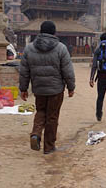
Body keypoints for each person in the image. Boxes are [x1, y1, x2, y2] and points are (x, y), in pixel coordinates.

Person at [19, 21, 75, 154]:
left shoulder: (29, 48)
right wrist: (71, 87)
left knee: (41, 112)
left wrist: (23, 88)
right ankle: (49, 147)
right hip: (56, 89)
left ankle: (36, 134)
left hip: (39, 88)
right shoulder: (61, 48)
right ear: (54, 32)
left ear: (40, 31)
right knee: (52, 117)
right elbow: (68, 71)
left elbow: (24, 71)